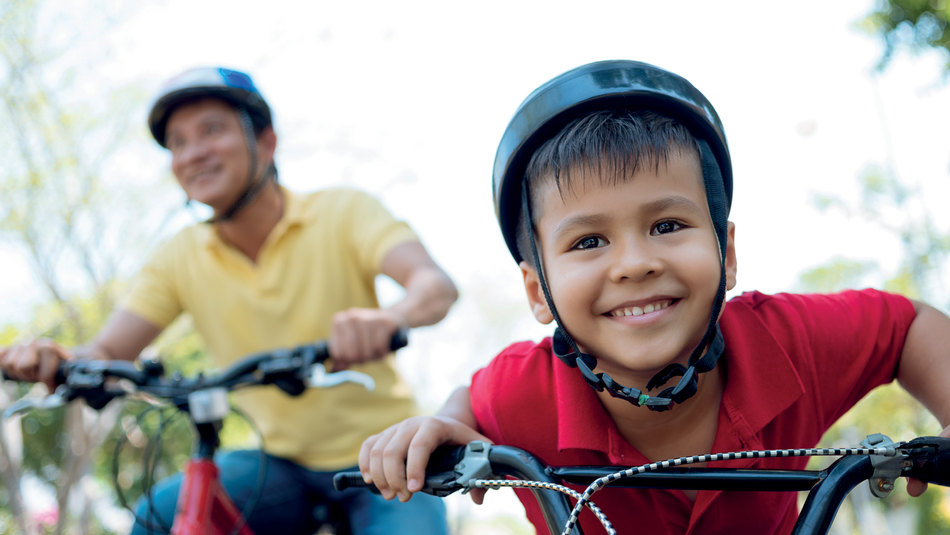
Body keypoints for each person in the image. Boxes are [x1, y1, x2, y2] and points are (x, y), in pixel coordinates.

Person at [357, 60, 950, 534]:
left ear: (728, 253)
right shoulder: (524, 393)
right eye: (589, 240)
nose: (636, 263)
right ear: (539, 292)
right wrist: (442, 425)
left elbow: (906, 326)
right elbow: (473, 403)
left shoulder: (787, 342)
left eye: (668, 225)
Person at [0, 67, 458, 535]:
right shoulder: (179, 257)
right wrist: (52, 359)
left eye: (211, 131)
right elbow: (105, 353)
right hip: (282, 464)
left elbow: (434, 286)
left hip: (387, 456)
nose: (192, 153)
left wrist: (389, 318)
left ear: (266, 142)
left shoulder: (342, 212)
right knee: (158, 517)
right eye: (177, 143)